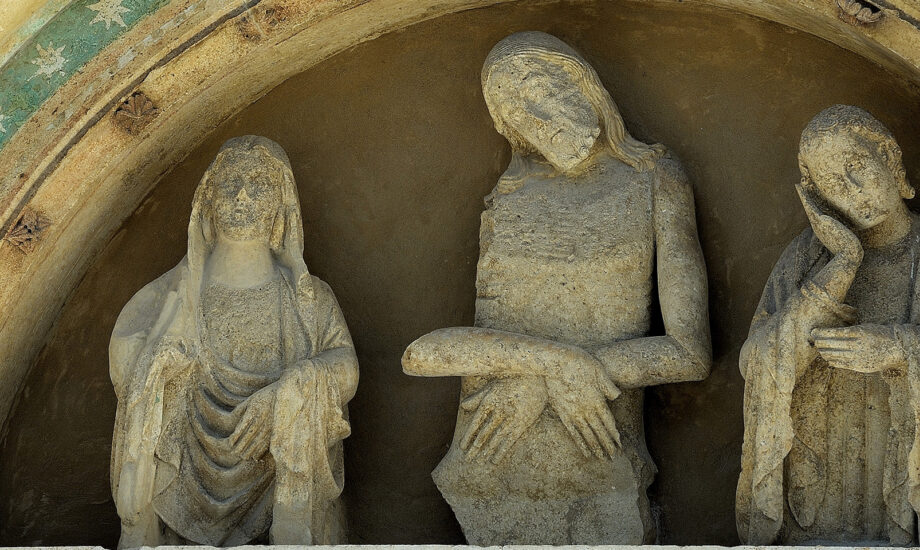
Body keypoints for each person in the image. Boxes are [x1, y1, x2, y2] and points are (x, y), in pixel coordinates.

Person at [402, 31, 712, 544]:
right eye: (514, 114)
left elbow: (689, 353)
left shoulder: (655, 177)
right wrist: (558, 365)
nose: (535, 119)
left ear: (579, 81)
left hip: (601, 456)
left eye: (536, 90)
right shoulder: (508, 199)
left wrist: (539, 384)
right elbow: (422, 356)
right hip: (486, 460)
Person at [737, 105, 920, 546]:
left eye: (857, 166)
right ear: (818, 200)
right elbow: (756, 363)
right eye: (832, 184)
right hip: (820, 475)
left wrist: (897, 348)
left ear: (889, 157)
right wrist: (842, 263)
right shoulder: (807, 257)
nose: (854, 191)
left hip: (905, 466)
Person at [109, 136, 358, 547]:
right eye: (229, 182)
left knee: (305, 382)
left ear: (281, 203)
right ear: (207, 199)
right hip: (186, 475)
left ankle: (290, 524)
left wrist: (289, 392)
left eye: (259, 183)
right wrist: (161, 367)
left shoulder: (309, 299)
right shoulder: (168, 300)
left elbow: (345, 367)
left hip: (275, 471)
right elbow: (128, 364)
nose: (242, 195)